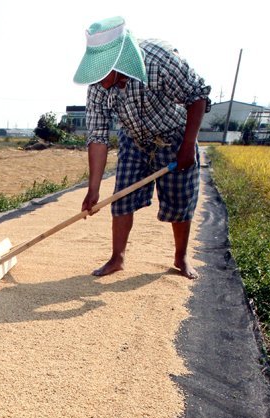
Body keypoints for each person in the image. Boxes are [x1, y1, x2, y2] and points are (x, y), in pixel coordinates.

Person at [73, 16, 211, 279]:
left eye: (104, 73)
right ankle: (117, 258)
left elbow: (198, 96)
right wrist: (93, 189)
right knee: (122, 196)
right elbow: (98, 137)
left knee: (180, 199)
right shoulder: (98, 88)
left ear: (119, 61)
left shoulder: (160, 60)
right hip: (134, 138)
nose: (100, 82)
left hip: (174, 135)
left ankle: (181, 257)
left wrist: (187, 145)